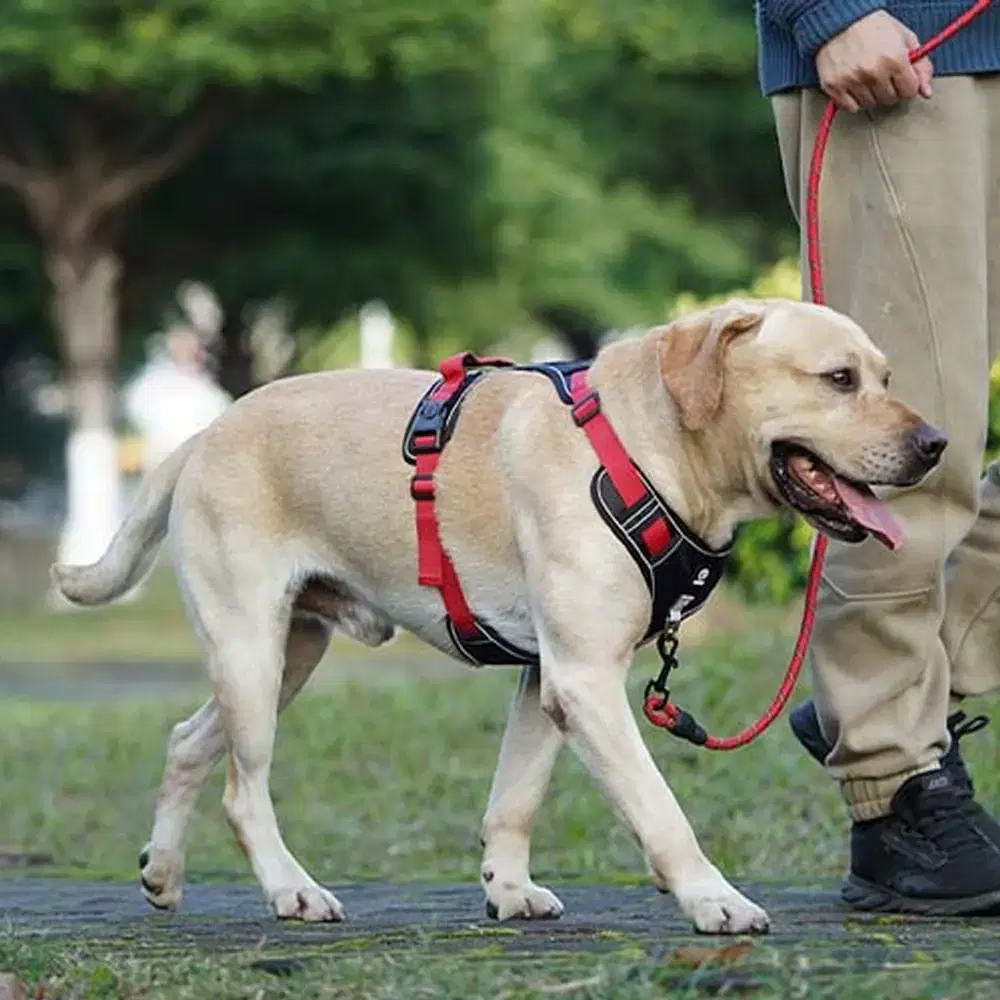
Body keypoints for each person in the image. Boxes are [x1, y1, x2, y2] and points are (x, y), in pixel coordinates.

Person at [754, 1, 1000, 913]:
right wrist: (827, 8)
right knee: (904, 445)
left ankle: (881, 700)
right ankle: (893, 783)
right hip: (910, 48)